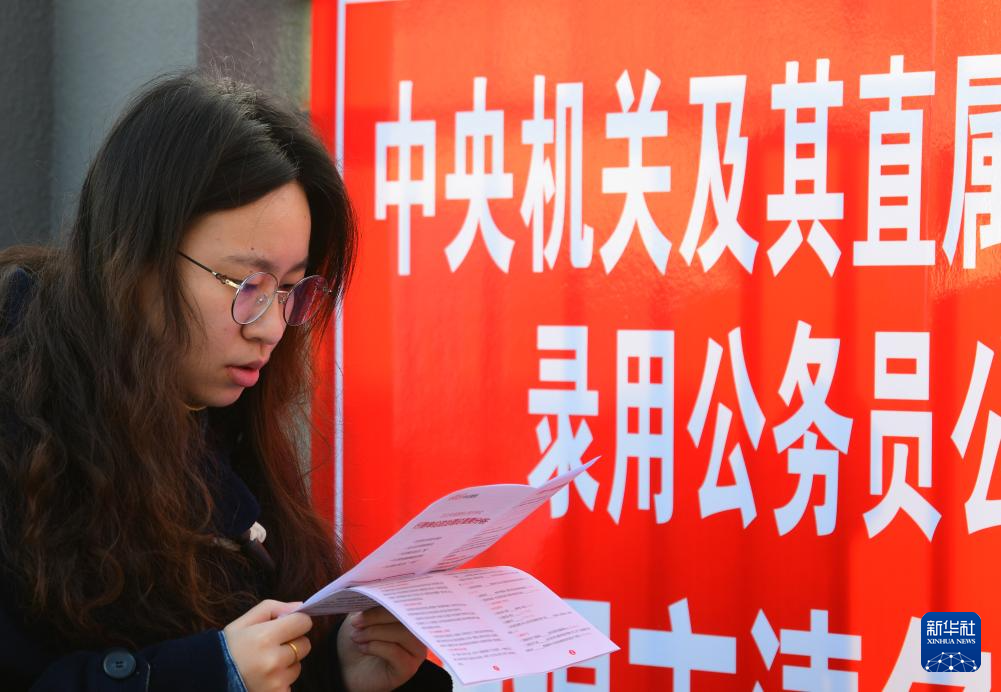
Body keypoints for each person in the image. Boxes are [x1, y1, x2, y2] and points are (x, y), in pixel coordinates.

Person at [0, 72, 452, 691]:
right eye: (246, 284)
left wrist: (342, 672)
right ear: (136, 256)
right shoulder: (19, 427)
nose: (271, 328)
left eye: (289, 290)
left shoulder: (221, 421)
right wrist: (206, 675)